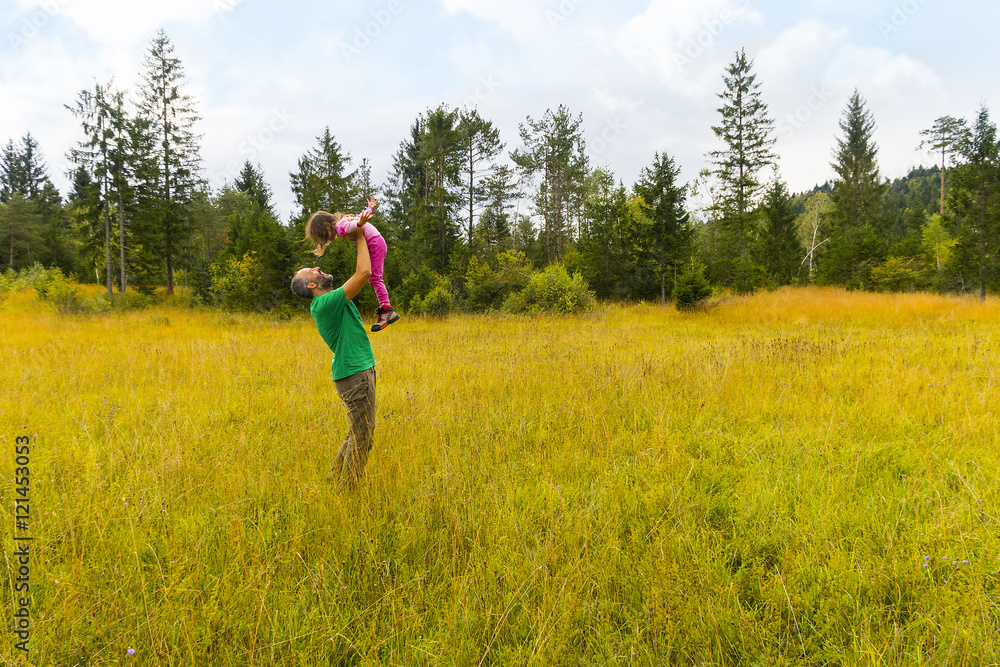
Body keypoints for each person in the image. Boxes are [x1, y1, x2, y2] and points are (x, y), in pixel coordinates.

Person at [290, 225, 377, 490]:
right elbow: (364, 272)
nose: (317, 268)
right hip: (353, 375)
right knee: (363, 437)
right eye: (312, 271)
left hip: (358, 371)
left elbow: (360, 271)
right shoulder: (324, 304)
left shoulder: (332, 299)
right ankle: (347, 492)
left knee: (358, 433)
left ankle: (333, 480)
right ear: (312, 285)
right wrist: (360, 235)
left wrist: (353, 234)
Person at [305, 196, 400, 332]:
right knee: (374, 278)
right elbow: (358, 218)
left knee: (375, 278)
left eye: (325, 236)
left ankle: (386, 310)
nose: (328, 240)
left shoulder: (340, 227)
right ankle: (386, 308)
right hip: (376, 242)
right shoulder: (342, 221)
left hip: (374, 243)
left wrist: (360, 223)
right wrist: (369, 208)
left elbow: (353, 225)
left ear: (327, 225)